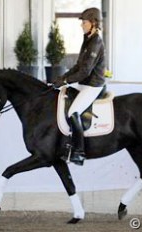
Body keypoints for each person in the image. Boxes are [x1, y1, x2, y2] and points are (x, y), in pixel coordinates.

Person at [52, 7, 106, 166]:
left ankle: (79, 153)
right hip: (84, 84)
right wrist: (62, 78)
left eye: (84, 22)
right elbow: (78, 65)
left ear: (93, 23)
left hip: (93, 85)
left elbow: (86, 70)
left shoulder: (96, 41)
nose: (82, 25)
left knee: (73, 111)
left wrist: (66, 81)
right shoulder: (87, 39)